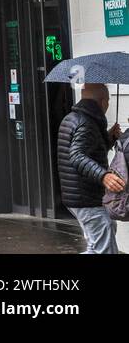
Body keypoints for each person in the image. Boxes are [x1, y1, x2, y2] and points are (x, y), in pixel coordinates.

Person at [57, 82, 124, 253]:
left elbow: (89, 149)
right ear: (103, 102)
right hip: (86, 197)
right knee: (105, 247)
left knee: (97, 244)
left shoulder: (73, 118)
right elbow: (77, 156)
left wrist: (109, 137)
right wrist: (104, 176)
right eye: (108, 101)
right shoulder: (86, 122)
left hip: (78, 195)